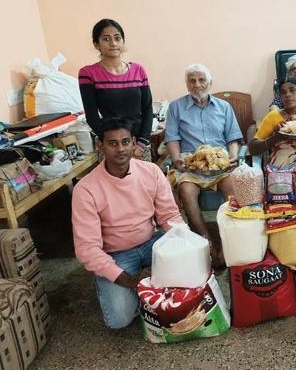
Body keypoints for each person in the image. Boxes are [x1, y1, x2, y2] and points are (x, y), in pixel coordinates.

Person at [72, 117, 184, 329]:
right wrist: (128, 280)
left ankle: (147, 285)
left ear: (134, 142)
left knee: (192, 270)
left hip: (152, 243)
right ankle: (137, 285)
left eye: (125, 142)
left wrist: (185, 244)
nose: (120, 149)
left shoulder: (150, 172)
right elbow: (87, 249)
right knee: (119, 320)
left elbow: (169, 215)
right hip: (116, 254)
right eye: (112, 143)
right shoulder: (85, 189)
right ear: (100, 145)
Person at [165, 64, 243, 266]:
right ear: (186, 84)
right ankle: (205, 241)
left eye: (201, 80)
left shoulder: (224, 107)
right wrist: (176, 159)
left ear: (210, 83)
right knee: (186, 190)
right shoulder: (176, 107)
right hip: (191, 163)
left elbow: (233, 138)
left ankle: (228, 241)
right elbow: (172, 138)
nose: (197, 85)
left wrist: (233, 157)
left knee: (231, 187)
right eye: (192, 80)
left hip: (220, 163)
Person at [78, 19, 154, 160]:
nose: (113, 43)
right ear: (96, 44)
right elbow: (92, 116)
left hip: (139, 145)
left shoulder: (138, 70)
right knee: (112, 182)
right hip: (112, 148)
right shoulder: (88, 73)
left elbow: (148, 109)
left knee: (144, 181)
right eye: (106, 39)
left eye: (117, 38)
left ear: (123, 42)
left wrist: (141, 144)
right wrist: (112, 144)